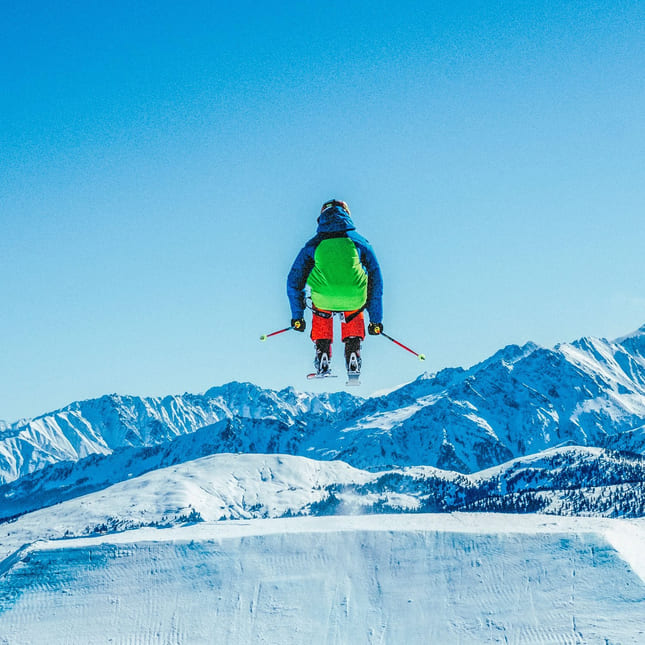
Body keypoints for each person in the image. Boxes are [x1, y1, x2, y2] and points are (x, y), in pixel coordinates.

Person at [287, 199, 384, 377]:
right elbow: (376, 279)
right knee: (354, 302)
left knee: (320, 300)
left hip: (323, 298)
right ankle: (353, 351)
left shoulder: (313, 244)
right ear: (347, 215)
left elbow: (294, 281)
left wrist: (297, 317)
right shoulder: (360, 242)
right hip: (355, 297)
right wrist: (375, 320)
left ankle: (322, 351)